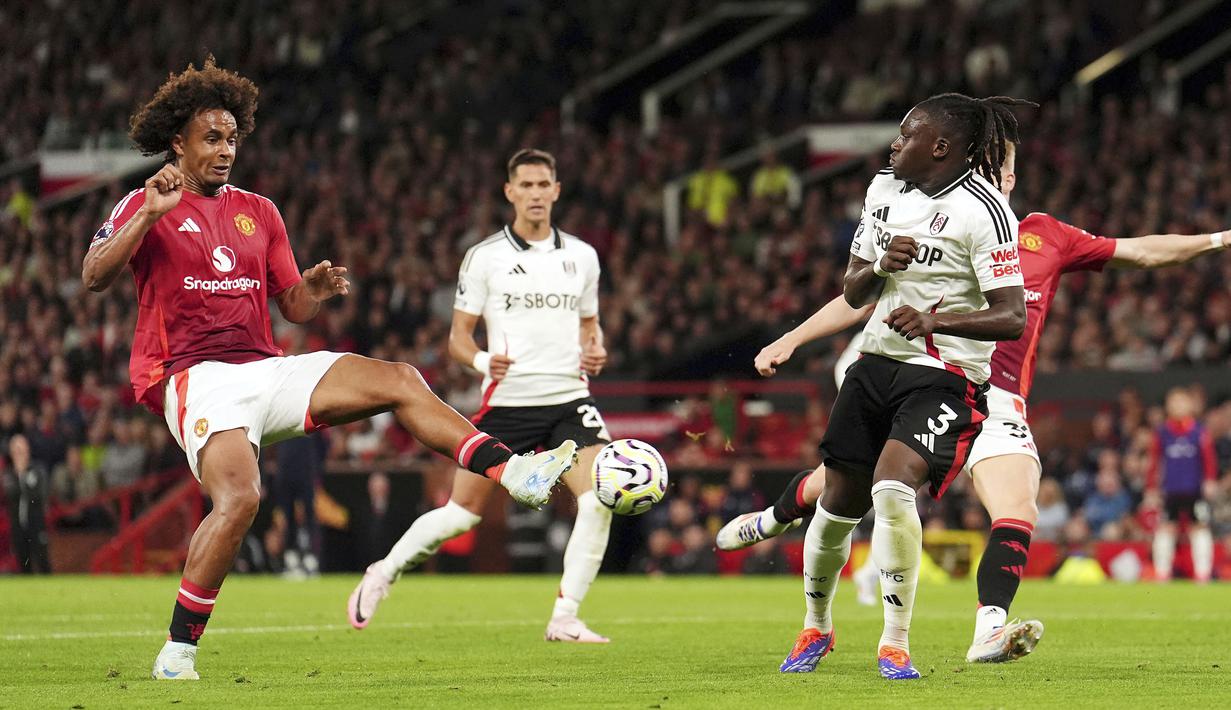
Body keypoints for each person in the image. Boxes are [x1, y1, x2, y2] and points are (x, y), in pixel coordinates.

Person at [81, 58, 577, 681]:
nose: (227, 149)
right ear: (177, 141)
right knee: (240, 500)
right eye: (213, 137)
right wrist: (150, 214)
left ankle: (514, 470)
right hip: (192, 375)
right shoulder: (143, 201)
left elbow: (290, 305)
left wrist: (311, 290)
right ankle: (179, 650)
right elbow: (94, 276)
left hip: (267, 369)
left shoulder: (259, 211)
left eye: (233, 138)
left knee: (400, 377)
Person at [720, 137, 1231, 663]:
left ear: (1009, 178)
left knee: (1017, 505)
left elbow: (1142, 252)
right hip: (923, 382)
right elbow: (861, 297)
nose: (991, 176)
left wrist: (1219, 239)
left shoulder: (1047, 237)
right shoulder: (927, 220)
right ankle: (775, 518)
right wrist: (793, 339)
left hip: (999, 400)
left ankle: (989, 629)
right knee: (840, 484)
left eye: (1000, 168)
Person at [767, 93, 1034, 680]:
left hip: (945, 377)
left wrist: (938, 320)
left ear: (939, 146)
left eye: (906, 134)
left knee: (893, 486)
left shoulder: (985, 211)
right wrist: (882, 266)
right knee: (838, 503)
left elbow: (1012, 315)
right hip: (874, 364)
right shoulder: (882, 190)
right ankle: (816, 627)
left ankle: (894, 643)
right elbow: (854, 289)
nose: (894, 143)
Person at [348, 149, 615, 643]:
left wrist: (595, 349)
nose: (535, 194)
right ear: (510, 192)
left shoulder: (582, 257)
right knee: (461, 514)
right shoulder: (485, 257)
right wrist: (479, 361)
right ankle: (383, 571)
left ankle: (565, 616)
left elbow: (590, 327)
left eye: (543, 185)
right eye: (526, 185)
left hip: (569, 399)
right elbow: (457, 339)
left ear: (556, 190)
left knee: (599, 499)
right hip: (509, 401)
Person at [1149, 387, 1219, 582]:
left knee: (1199, 527)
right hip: (1170, 488)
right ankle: (1162, 572)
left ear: (1190, 405)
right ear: (1167, 406)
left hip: (1194, 488)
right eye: (1174, 402)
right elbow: (1155, 461)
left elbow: (1209, 459)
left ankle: (1203, 573)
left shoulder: (1199, 431)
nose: (1178, 406)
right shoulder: (1162, 433)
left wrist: (1210, 480)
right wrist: (1151, 487)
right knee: (1166, 528)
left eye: (1182, 401)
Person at [3, 434, 51, 574]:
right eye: (16, 450)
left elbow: (38, 494)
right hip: (18, 524)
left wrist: (23, 475)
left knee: (42, 560)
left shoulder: (37, 470)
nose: (19, 454)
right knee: (23, 561)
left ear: (28, 450)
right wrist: (20, 475)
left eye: (21, 449)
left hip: (36, 523)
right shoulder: (9, 474)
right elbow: (11, 494)